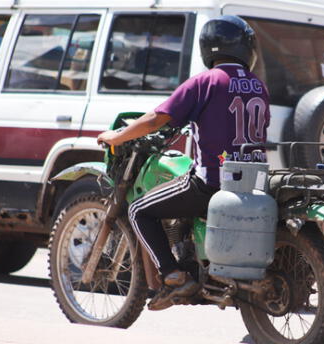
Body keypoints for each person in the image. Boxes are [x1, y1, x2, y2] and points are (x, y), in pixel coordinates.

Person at [97, 15, 270, 309]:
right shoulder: (258, 85)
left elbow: (156, 119)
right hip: (254, 183)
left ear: (208, 48)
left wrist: (118, 137)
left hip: (212, 183)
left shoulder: (206, 81)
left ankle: (173, 275)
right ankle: (192, 258)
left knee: (139, 210)